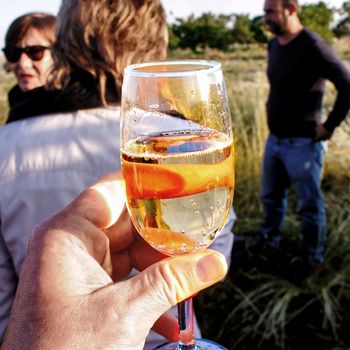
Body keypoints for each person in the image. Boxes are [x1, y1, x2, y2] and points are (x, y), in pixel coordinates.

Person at [0, 0, 235, 346]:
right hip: (171, 337)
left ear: (65, 43)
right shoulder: (186, 136)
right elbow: (218, 244)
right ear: (155, 40)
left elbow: (3, 292)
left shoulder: (6, 143)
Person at [1, 173, 229, 348]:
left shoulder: (5, 147)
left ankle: (185, 339)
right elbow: (223, 234)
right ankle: (187, 339)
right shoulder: (176, 127)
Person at [259, 0, 350, 264]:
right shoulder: (274, 45)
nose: (266, 18)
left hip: (303, 144)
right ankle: (269, 243)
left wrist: (330, 125)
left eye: (270, 12)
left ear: (291, 9)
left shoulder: (313, 46)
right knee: (270, 198)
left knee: (308, 205)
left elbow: (346, 84)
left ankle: (313, 259)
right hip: (274, 139)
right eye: (264, 12)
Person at [2, 12, 56, 123]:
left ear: (60, 54)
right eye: (13, 53)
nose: (23, 63)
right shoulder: (17, 111)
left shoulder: (80, 114)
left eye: (35, 52)